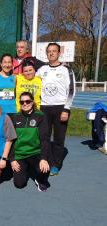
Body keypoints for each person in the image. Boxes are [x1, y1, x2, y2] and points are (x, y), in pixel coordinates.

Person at [36, 42, 76, 176]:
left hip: (60, 108)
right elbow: (33, 85)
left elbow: (71, 90)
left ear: (59, 53)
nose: (51, 53)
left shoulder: (66, 70)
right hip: (44, 108)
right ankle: (45, 160)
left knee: (58, 138)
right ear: (46, 53)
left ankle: (56, 165)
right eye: (49, 51)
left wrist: (66, 109)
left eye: (54, 51)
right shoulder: (41, 70)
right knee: (44, 136)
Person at [9, 92, 50, 191]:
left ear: (32, 102)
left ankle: (39, 179)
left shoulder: (40, 116)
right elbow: (10, 140)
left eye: (27, 101)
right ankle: (26, 168)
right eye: (22, 102)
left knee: (44, 170)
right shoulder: (15, 117)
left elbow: (44, 139)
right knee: (19, 184)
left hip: (35, 152)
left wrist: (44, 158)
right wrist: (12, 159)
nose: (25, 104)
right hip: (20, 154)